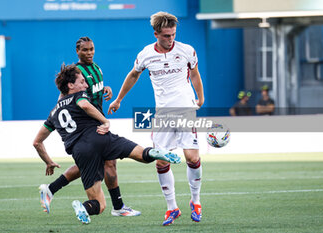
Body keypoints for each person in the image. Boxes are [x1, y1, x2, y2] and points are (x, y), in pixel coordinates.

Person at [33, 64, 181, 224]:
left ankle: (84, 207)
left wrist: (48, 161)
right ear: (71, 85)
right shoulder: (79, 96)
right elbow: (84, 104)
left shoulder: (53, 113)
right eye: (82, 81)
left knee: (99, 204)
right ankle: (155, 152)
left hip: (80, 150)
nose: (85, 85)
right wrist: (105, 121)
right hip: (99, 136)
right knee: (142, 155)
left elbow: (37, 142)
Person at [108, 12, 205, 225]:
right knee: (161, 160)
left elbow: (195, 73)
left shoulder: (186, 50)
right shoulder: (145, 54)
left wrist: (200, 96)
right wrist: (119, 99)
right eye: (166, 36)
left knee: (192, 158)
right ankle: (172, 208)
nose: (170, 39)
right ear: (156, 34)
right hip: (162, 115)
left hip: (186, 111)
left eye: (173, 34)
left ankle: (195, 201)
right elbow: (133, 74)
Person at [38, 37, 142, 217]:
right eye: (85, 50)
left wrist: (105, 89)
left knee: (92, 163)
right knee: (107, 161)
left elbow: (91, 90)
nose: (89, 53)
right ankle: (118, 207)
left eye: (92, 49)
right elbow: (65, 97)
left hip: (96, 120)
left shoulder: (96, 68)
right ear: (77, 51)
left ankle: (51, 189)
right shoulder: (76, 72)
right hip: (86, 124)